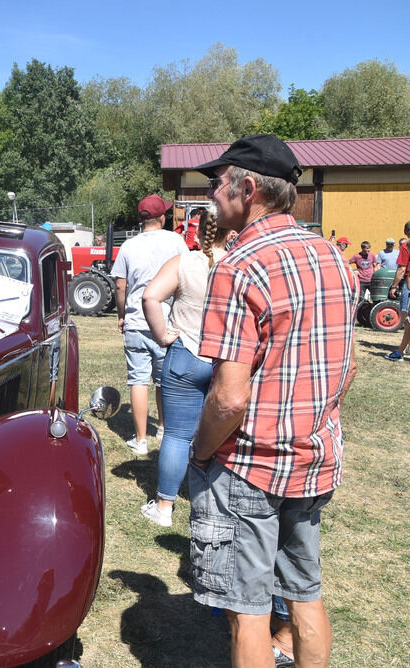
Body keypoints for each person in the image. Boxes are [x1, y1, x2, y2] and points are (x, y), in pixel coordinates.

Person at [189, 134, 357, 667]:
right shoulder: (331, 254)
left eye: (219, 183)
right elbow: (346, 368)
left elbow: (229, 398)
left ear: (249, 187)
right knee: (305, 594)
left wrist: (198, 453)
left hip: (249, 465)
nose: (214, 195)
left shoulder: (239, 265)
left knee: (247, 613)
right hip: (314, 458)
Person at [139, 207, 233, 527]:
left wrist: (163, 334)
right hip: (226, 361)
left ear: (198, 229)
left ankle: (164, 507)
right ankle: (213, 501)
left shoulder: (184, 262)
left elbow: (151, 297)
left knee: (177, 436)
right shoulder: (238, 266)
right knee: (223, 435)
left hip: (185, 355)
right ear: (229, 230)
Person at [111, 194, 188, 455]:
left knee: (138, 380)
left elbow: (120, 285)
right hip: (167, 321)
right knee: (165, 380)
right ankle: (164, 428)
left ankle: (140, 439)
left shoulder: (128, 246)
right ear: (163, 217)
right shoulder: (176, 241)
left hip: (136, 319)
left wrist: (122, 314)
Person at [384, 222, 410, 361]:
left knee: (407, 319)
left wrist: (394, 286)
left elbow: (401, 269)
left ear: (406, 232)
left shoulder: (406, 246)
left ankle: (400, 352)